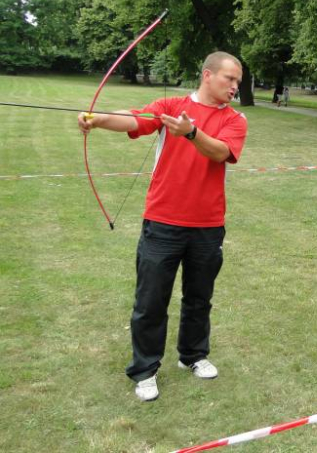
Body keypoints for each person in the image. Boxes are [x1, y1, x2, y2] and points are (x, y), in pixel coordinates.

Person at [78, 51, 248, 402]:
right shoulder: (171, 106)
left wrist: (191, 132)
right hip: (163, 222)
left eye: (238, 82)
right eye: (229, 78)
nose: (235, 86)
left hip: (208, 225)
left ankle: (193, 355)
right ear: (207, 75)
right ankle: (144, 370)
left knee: (199, 298)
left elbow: (219, 152)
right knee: (151, 301)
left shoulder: (235, 119)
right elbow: (135, 119)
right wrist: (97, 119)